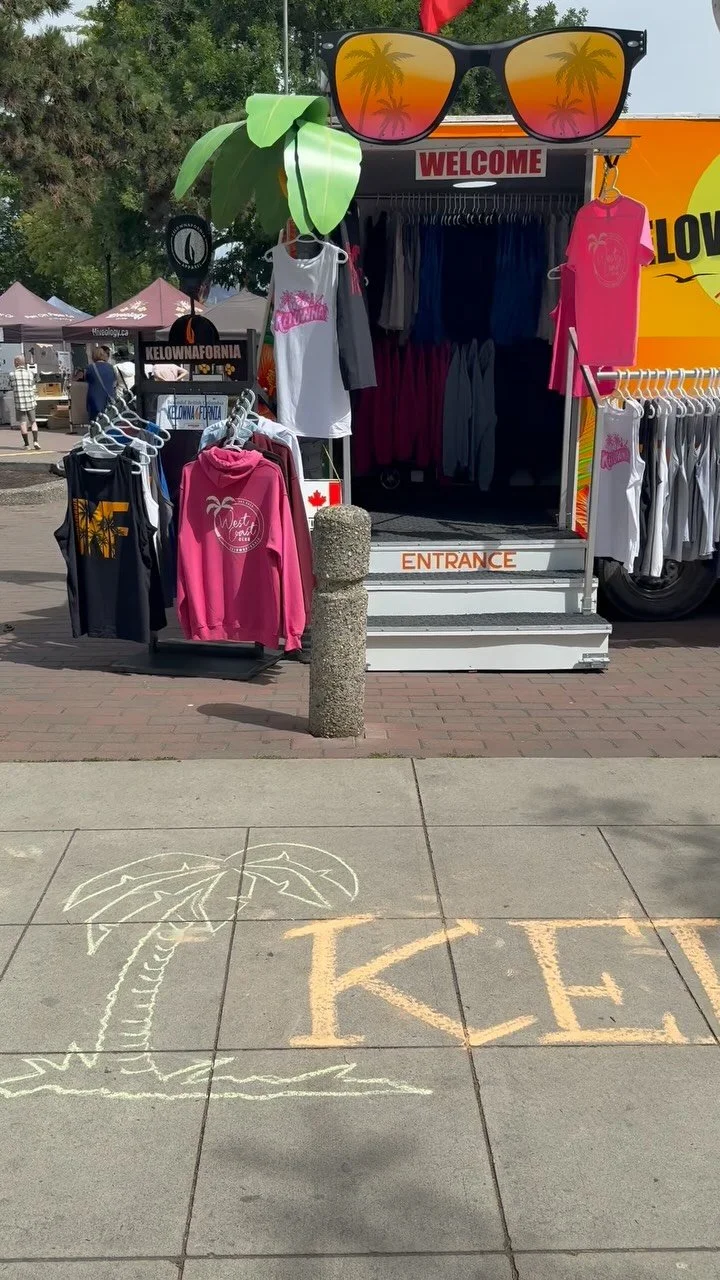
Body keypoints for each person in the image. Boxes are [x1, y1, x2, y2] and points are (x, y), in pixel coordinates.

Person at [9, 355, 40, 450]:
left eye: (14, 362)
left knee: (23, 423)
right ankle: (36, 441)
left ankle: (27, 445)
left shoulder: (12, 374)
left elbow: (10, 386)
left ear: (17, 363)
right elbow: (33, 385)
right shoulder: (30, 373)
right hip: (30, 401)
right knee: (33, 422)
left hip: (19, 403)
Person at [83, 347, 117, 420]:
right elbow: (114, 381)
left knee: (95, 420)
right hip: (109, 396)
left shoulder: (89, 368)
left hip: (94, 397)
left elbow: (85, 379)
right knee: (109, 418)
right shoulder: (111, 367)